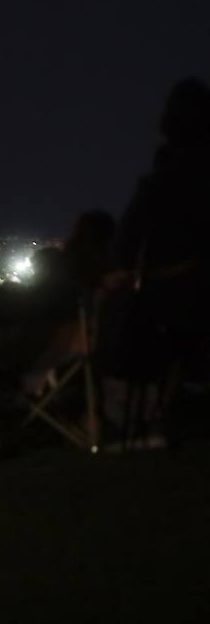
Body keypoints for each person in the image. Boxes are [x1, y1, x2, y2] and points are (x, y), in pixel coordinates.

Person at [101, 78, 210, 439]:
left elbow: (123, 249)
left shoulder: (159, 184)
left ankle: (126, 413)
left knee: (118, 308)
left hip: (174, 300)